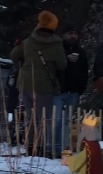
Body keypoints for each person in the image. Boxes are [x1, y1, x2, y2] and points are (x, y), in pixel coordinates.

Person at [10, 10, 67, 157]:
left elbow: (14, 54)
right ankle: (39, 147)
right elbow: (62, 65)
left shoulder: (29, 41)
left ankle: (30, 147)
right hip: (43, 85)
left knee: (30, 117)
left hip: (24, 83)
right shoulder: (56, 43)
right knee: (42, 119)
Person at [53, 22, 89, 155]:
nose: (73, 36)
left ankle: (64, 147)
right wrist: (66, 59)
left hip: (74, 92)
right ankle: (54, 147)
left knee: (67, 121)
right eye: (70, 33)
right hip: (58, 91)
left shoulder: (81, 52)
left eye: (75, 34)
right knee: (56, 120)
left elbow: (84, 72)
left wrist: (80, 89)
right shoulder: (57, 51)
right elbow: (53, 68)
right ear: (64, 35)